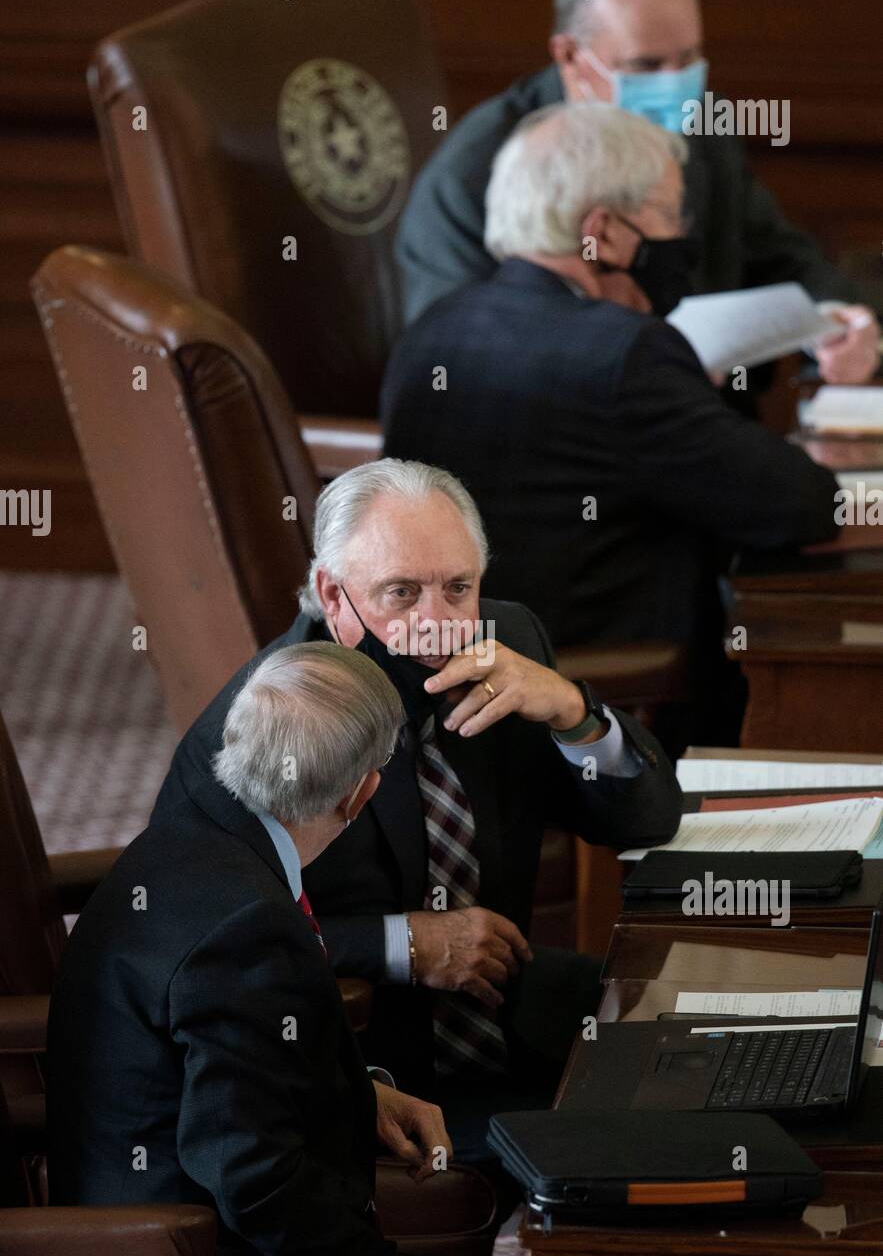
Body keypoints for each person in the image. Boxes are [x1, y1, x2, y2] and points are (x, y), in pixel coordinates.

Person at [151, 459, 682, 1157]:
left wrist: (574, 713)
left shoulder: (509, 643)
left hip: (518, 1020)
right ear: (332, 598)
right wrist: (402, 944)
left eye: (457, 589)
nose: (439, 626)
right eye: (401, 593)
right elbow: (190, 948)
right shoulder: (268, 720)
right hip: (368, 1074)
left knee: (728, 1069)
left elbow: (645, 822)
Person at [381, 102, 842, 751]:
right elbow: (801, 503)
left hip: (439, 692)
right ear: (604, 231)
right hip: (606, 697)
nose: (683, 236)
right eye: (669, 216)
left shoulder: (432, 328)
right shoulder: (625, 354)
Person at [48, 643, 453, 1256]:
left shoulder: (189, 833)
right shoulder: (249, 931)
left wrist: (358, 1094)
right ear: (361, 793)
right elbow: (250, 1175)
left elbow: (227, 1076)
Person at [396, 0, 879, 389]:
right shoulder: (474, 174)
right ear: (570, 57)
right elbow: (456, 367)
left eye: (689, 60)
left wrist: (843, 330)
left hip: (706, 439)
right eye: (646, 66)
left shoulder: (703, 132)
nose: (677, 87)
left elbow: (790, 263)